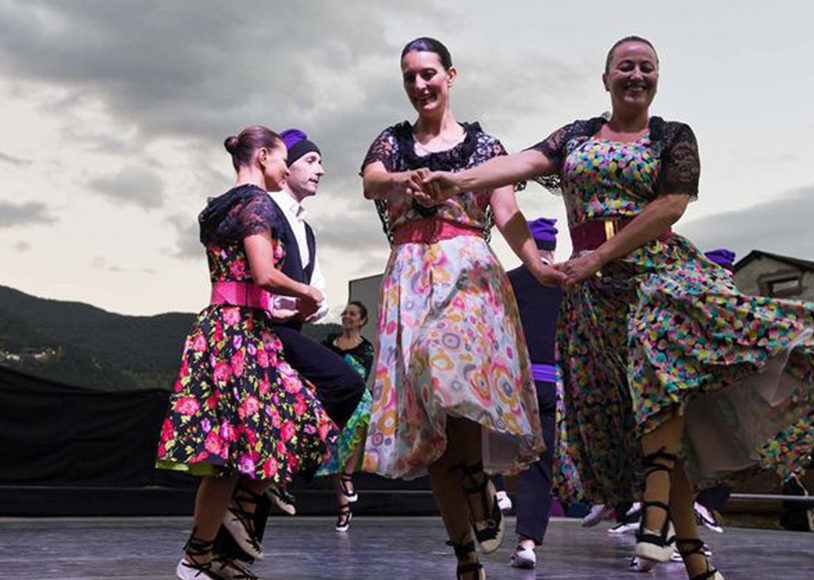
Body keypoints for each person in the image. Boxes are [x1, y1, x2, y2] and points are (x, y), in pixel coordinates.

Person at [421, 36, 814, 579]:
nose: (636, 75)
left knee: (658, 367)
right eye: (625, 66)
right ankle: (695, 559)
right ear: (606, 78)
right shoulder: (577, 136)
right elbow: (520, 164)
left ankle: (655, 515)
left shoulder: (673, 137)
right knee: (648, 419)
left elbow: (670, 204)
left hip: (658, 275)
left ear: (657, 77)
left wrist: (600, 254)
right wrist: (456, 180)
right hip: (593, 297)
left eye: (646, 67)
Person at [360, 37, 562, 580]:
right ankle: (465, 556)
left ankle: (476, 477)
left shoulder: (483, 145)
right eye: (410, 76)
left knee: (448, 369)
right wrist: (404, 179)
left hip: (467, 271)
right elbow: (372, 182)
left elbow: (507, 211)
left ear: (450, 76)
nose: (419, 84)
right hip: (409, 274)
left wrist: (537, 265)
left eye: (428, 73)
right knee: (431, 426)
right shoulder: (393, 142)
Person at [155, 125, 336, 580]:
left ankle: (198, 556)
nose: (284, 169)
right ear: (263, 158)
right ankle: (213, 541)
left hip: (222, 325)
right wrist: (307, 292)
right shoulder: (257, 203)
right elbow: (262, 273)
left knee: (227, 456)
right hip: (241, 333)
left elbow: (235, 277)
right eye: (282, 160)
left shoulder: (218, 206)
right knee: (302, 419)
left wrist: (278, 304)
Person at [500, 217, 563, 569]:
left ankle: (493, 497)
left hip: (514, 383)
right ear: (552, 248)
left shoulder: (509, 281)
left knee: (491, 447)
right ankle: (527, 542)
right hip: (552, 383)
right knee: (540, 464)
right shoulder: (566, 283)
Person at [320, 300, 375, 532]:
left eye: (353, 314)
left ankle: (348, 477)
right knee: (337, 452)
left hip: (356, 395)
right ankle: (343, 508)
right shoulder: (329, 343)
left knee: (360, 419)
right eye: (345, 313)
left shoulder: (366, 348)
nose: (347, 317)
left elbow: (361, 376)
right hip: (333, 396)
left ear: (362, 320)